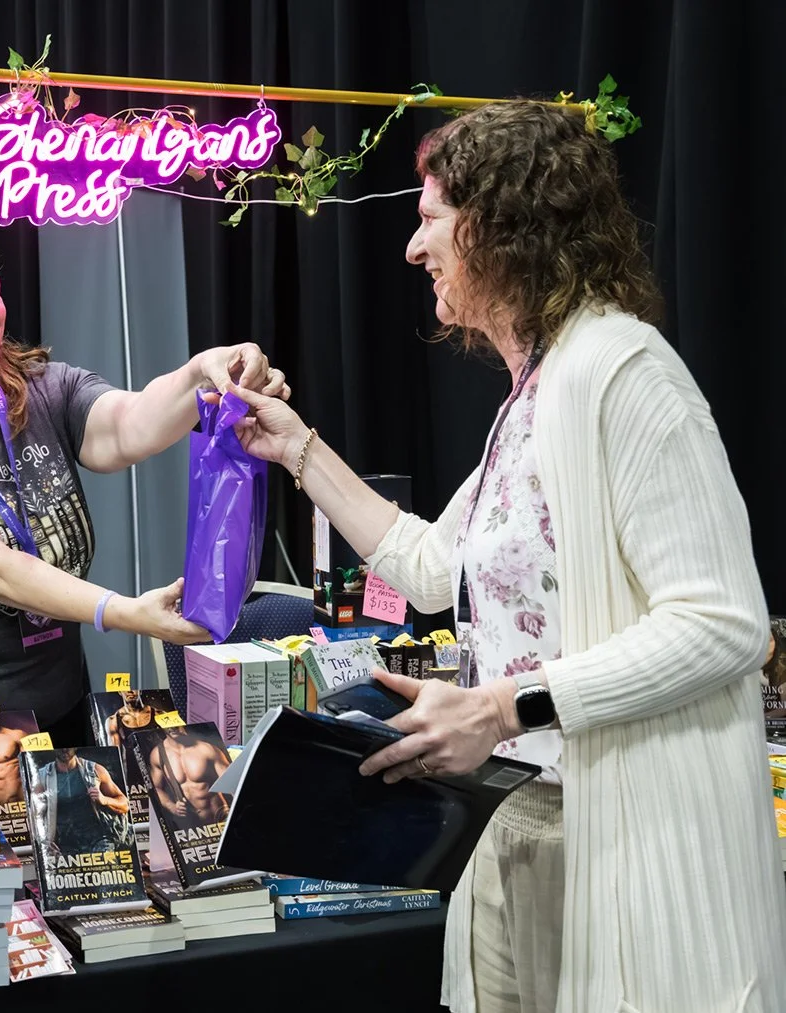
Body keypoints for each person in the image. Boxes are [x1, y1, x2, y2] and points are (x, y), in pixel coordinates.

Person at [229, 100, 786, 1013]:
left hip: (619, 826)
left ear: (501, 225)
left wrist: (497, 706)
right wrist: (296, 448)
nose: (413, 248)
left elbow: (721, 624)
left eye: (430, 218)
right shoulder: (534, 390)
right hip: (517, 813)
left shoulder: (626, 373)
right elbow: (429, 564)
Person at [0, 222, 287, 746]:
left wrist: (202, 373)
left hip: (54, 703)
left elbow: (128, 426)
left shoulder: (44, 388)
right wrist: (125, 612)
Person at [31, 748, 131, 857]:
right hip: (65, 843)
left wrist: (104, 800)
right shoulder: (43, 777)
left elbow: (125, 804)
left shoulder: (94, 770)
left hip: (98, 838)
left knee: (105, 862)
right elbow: (35, 815)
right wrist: (44, 841)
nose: (64, 749)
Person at [144, 725, 231, 825]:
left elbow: (232, 782)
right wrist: (171, 806)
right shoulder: (158, 754)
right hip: (191, 824)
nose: (171, 728)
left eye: (175, 724)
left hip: (220, 817)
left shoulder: (206, 749)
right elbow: (155, 788)